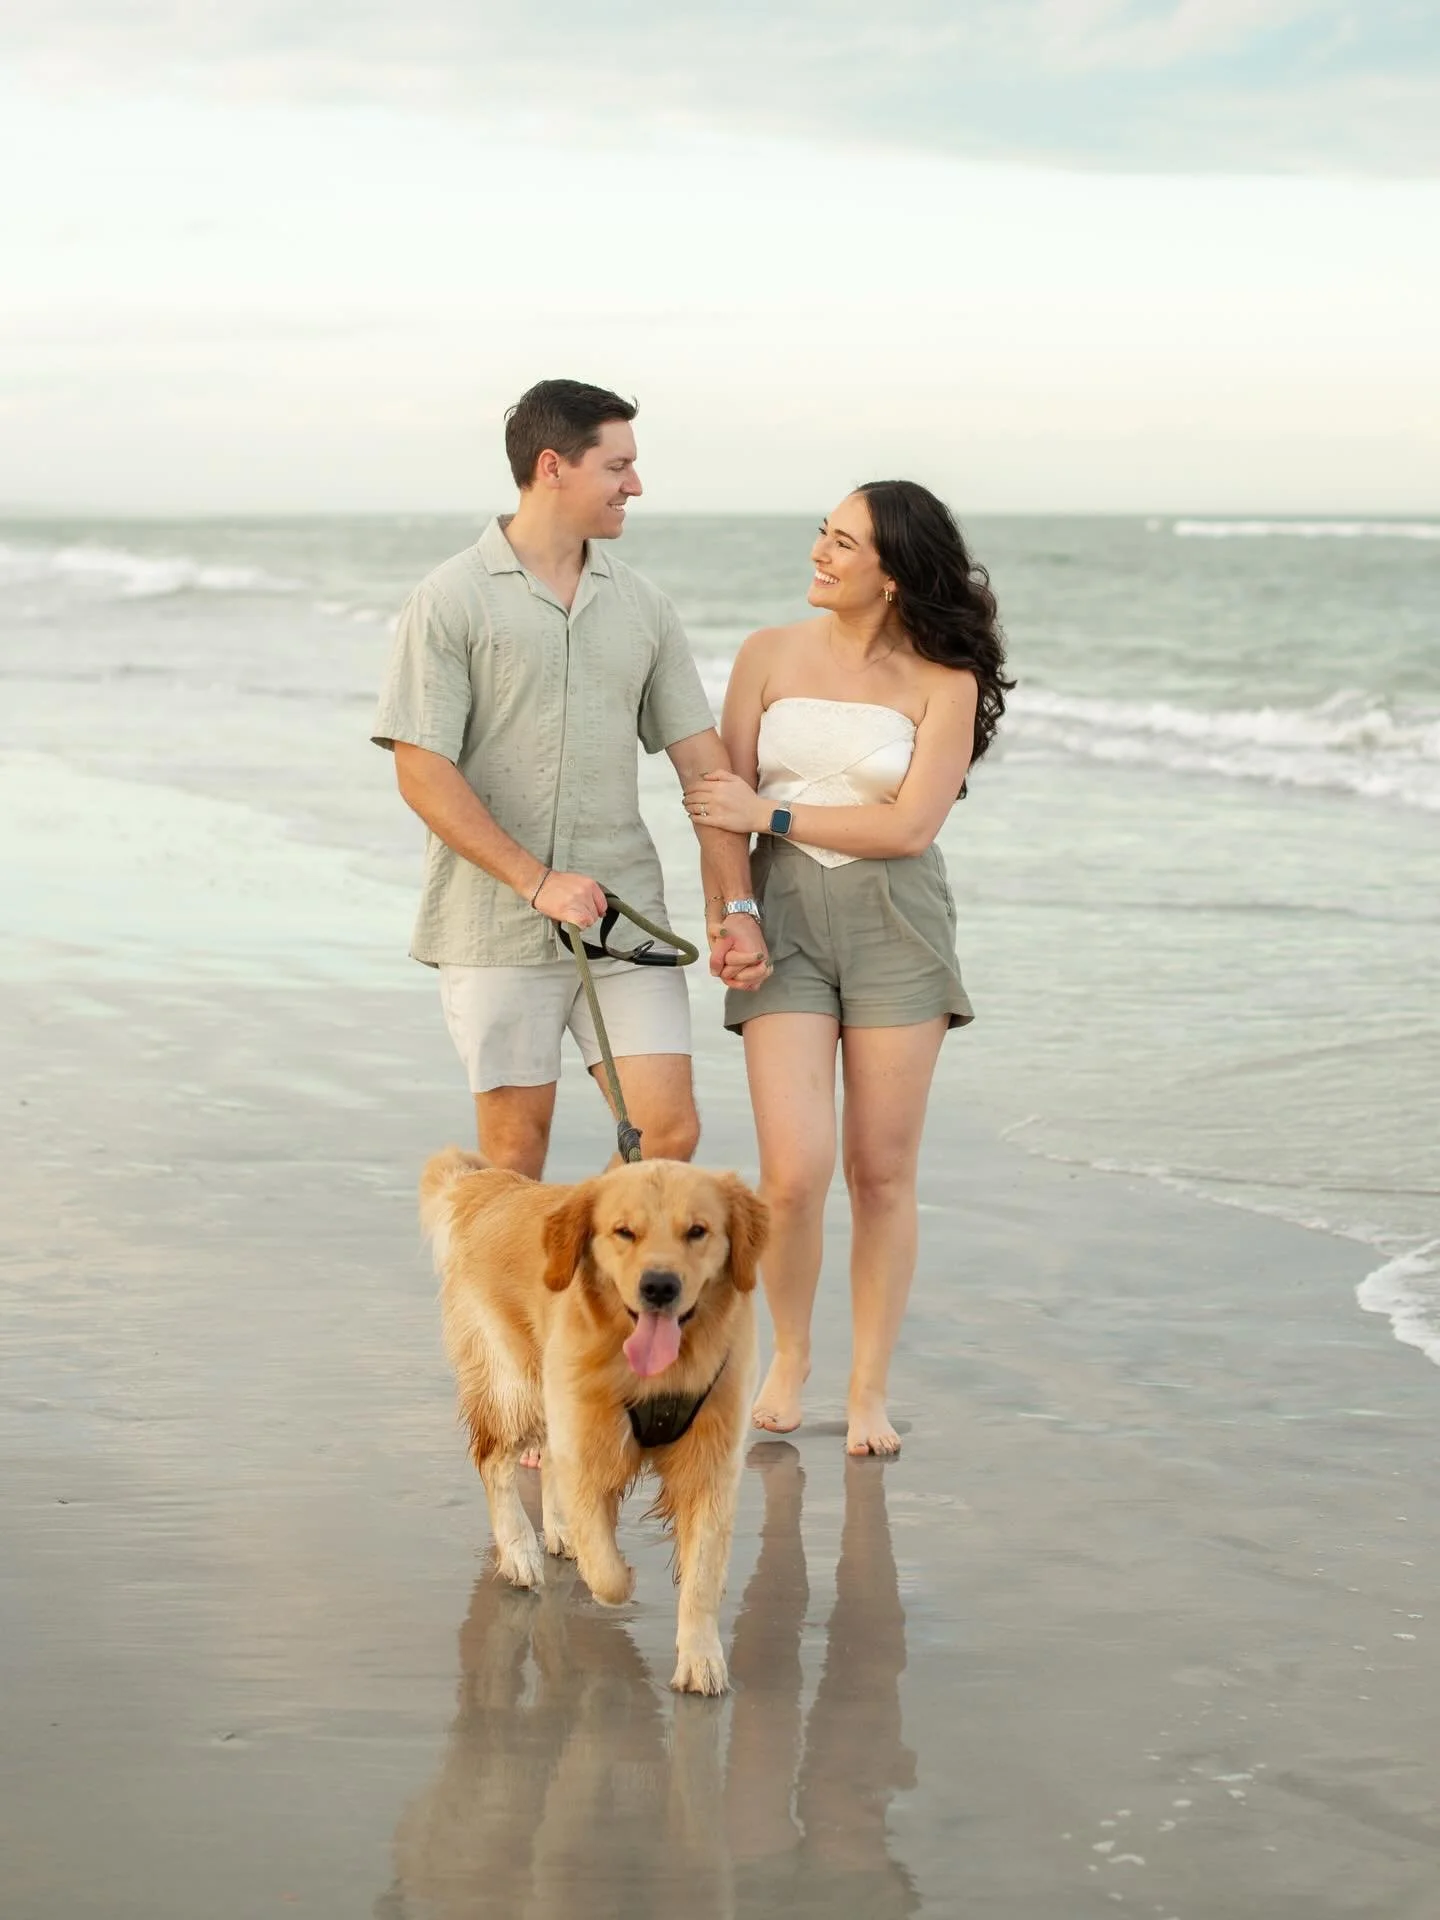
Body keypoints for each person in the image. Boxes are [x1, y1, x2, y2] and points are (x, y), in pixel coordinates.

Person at [682, 480, 1012, 1455]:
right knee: (792, 1176)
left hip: (895, 931)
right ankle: (791, 1356)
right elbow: (716, 805)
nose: (820, 554)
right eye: (822, 536)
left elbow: (910, 827)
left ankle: (868, 1390)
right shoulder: (766, 653)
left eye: (842, 543)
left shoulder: (942, 681)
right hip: (777, 919)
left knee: (880, 1174)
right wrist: (732, 912)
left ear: (895, 570)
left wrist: (772, 815)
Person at [373, 378, 769, 1183]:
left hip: (625, 924)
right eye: (617, 466)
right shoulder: (448, 600)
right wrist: (537, 881)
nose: (636, 485)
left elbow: (707, 772)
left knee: (669, 1137)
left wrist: (736, 908)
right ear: (552, 467)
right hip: (491, 925)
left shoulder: (646, 609)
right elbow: (421, 770)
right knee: (515, 1160)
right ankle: (521, 1312)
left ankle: (615, 1307)